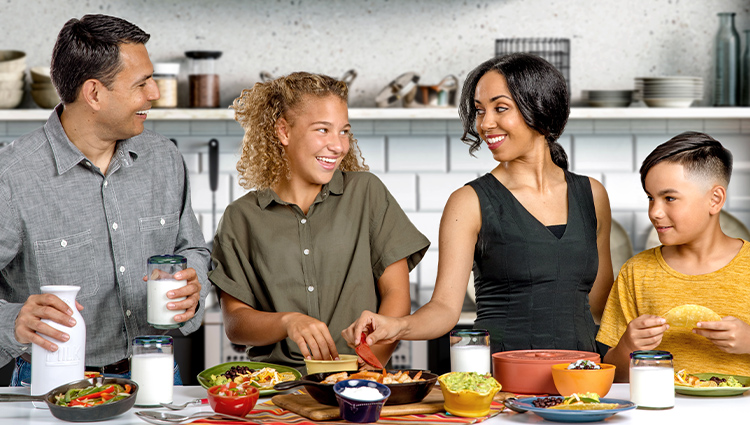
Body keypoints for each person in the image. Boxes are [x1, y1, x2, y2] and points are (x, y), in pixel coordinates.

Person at [343, 53, 614, 355]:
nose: (485, 124)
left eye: (500, 108)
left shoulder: (592, 194)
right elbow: (445, 308)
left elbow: (602, 304)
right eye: (479, 111)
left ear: (540, 107)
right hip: (504, 384)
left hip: (584, 382)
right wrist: (398, 326)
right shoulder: (469, 202)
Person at [0, 14, 210, 385]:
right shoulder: (13, 177)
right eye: (141, 84)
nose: (155, 94)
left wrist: (193, 282)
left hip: (157, 373)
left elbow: (192, 248)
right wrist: (12, 319)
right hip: (56, 383)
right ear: (94, 93)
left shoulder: (164, 158)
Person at [209, 72, 429, 370]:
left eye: (344, 131)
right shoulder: (241, 218)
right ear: (283, 131)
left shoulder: (366, 193)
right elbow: (235, 322)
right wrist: (288, 322)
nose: (338, 146)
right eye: (323, 130)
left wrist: (372, 363)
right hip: (277, 386)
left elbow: (396, 295)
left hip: (359, 378)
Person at [597, 131, 750, 381]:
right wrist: (627, 346)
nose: (655, 212)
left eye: (669, 198)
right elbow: (614, 378)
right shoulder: (636, 272)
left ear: (715, 199)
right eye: (650, 198)